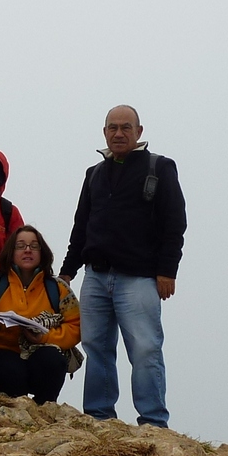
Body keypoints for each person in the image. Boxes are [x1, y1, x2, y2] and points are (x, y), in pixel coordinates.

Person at [58, 105, 187, 427]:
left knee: (145, 349)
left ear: (139, 132)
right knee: (96, 347)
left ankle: (153, 422)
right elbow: (81, 226)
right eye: (113, 128)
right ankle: (99, 417)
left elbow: (175, 223)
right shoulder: (94, 174)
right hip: (95, 276)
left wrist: (167, 271)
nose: (118, 133)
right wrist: (67, 272)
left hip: (139, 278)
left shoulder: (160, 167)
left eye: (126, 127)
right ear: (104, 132)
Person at [0, 226, 81, 405]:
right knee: (7, 368)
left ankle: (45, 407)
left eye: (34, 246)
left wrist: (44, 337)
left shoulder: (58, 288)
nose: (27, 250)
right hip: (3, 355)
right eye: (20, 246)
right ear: (11, 251)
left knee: (53, 360)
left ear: (42, 252)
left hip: (40, 354)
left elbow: (76, 325)